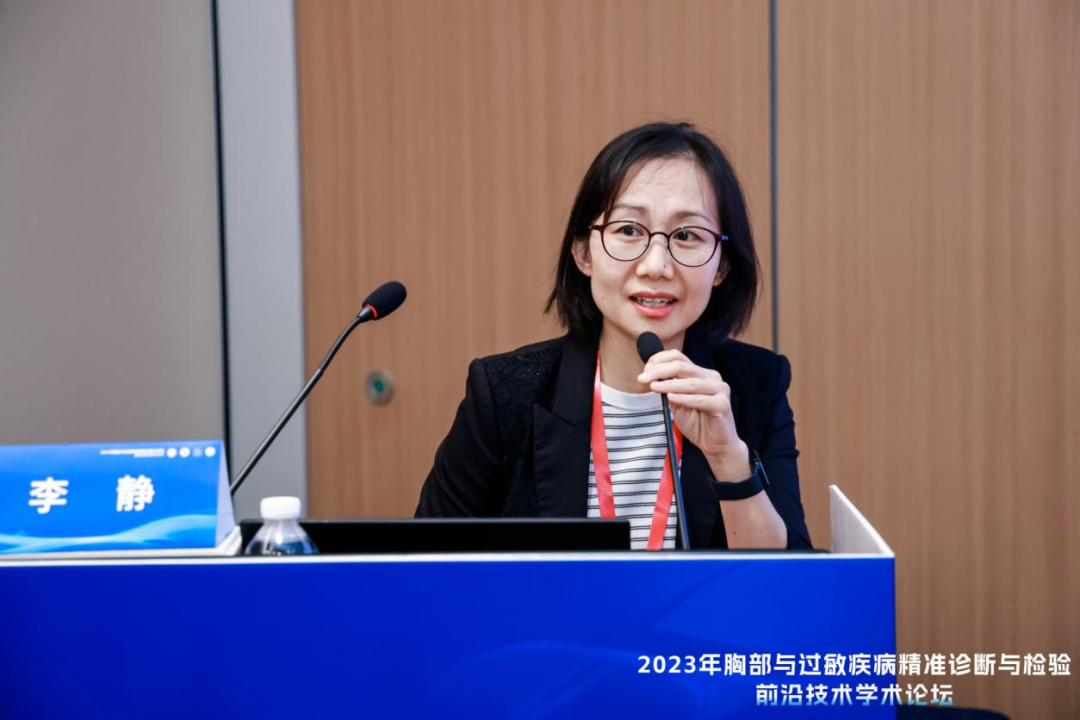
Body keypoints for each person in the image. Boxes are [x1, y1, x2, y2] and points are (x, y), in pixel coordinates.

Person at [415, 122, 811, 550]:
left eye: (686, 235)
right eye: (628, 230)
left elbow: (787, 580)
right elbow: (426, 567)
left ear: (722, 266)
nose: (656, 266)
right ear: (583, 252)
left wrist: (728, 458)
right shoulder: (504, 393)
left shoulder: (756, 387)